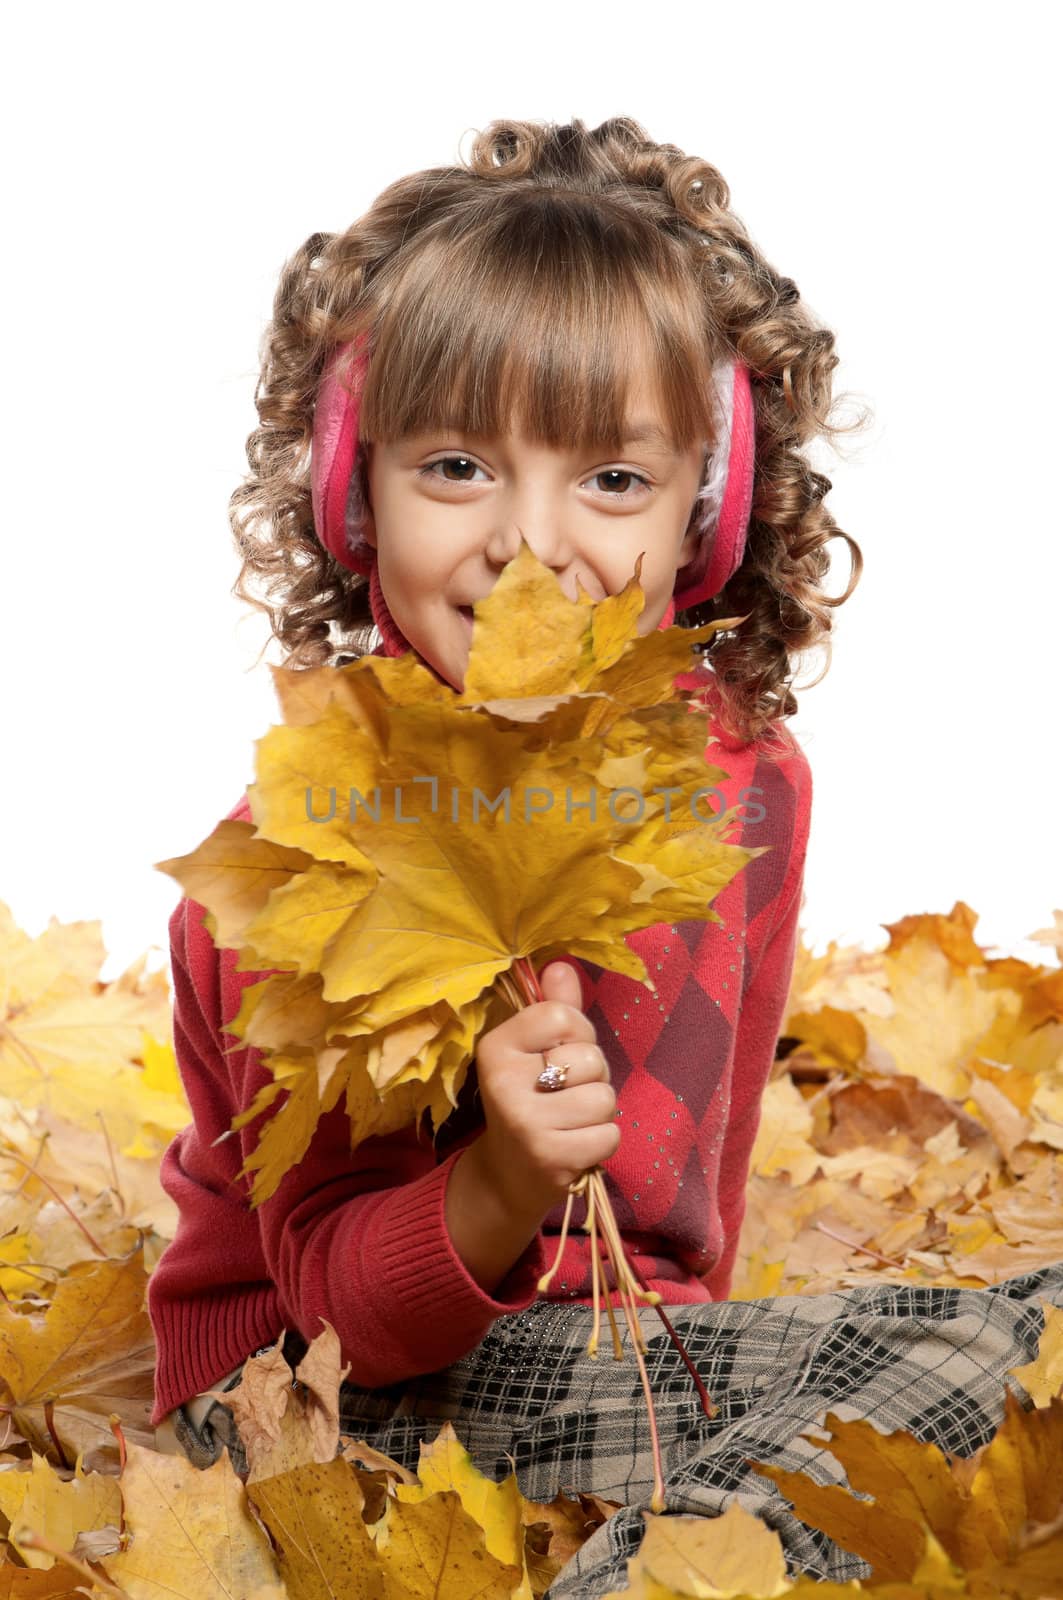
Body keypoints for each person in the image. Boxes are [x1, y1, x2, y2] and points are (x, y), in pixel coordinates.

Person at [148, 117, 1063, 1596]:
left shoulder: (746, 783)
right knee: (955, 1368)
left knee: (1037, 1339)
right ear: (351, 494)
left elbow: (692, 1201)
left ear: (706, 506)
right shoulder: (308, 856)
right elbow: (337, 1307)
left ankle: (669, 1539)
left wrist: (728, 1393)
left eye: (613, 482)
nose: (532, 544)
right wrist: (504, 1175)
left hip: (619, 1360)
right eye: (456, 466)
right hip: (308, 1406)